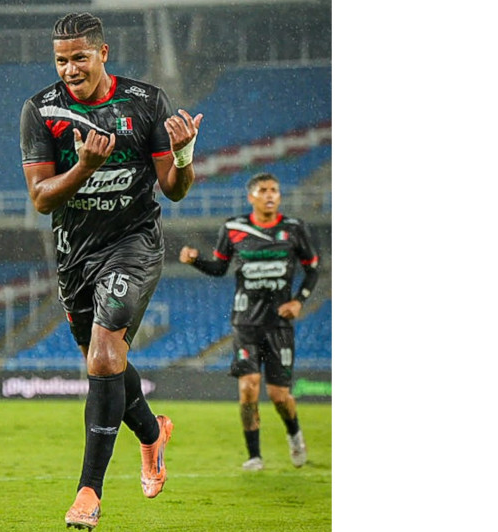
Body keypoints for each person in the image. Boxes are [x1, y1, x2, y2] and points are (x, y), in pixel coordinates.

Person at [20, 12, 203, 530]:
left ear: (104, 53)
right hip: (75, 253)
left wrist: (184, 154)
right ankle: (152, 434)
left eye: (80, 57)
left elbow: (174, 187)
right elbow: (39, 198)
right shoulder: (41, 110)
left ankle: (88, 493)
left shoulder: (145, 103)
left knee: (104, 357)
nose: (70, 68)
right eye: (61, 60)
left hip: (134, 243)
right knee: (106, 365)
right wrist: (83, 167)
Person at [179, 172, 319, 472]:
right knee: (248, 388)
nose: (270, 195)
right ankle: (254, 455)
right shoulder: (233, 228)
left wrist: (299, 300)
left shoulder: (294, 229)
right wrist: (196, 261)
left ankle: (294, 433)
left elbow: (313, 269)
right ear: (251, 197)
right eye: (263, 190)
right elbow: (219, 268)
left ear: (279, 196)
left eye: (275, 190)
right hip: (246, 323)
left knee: (280, 396)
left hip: (279, 324)